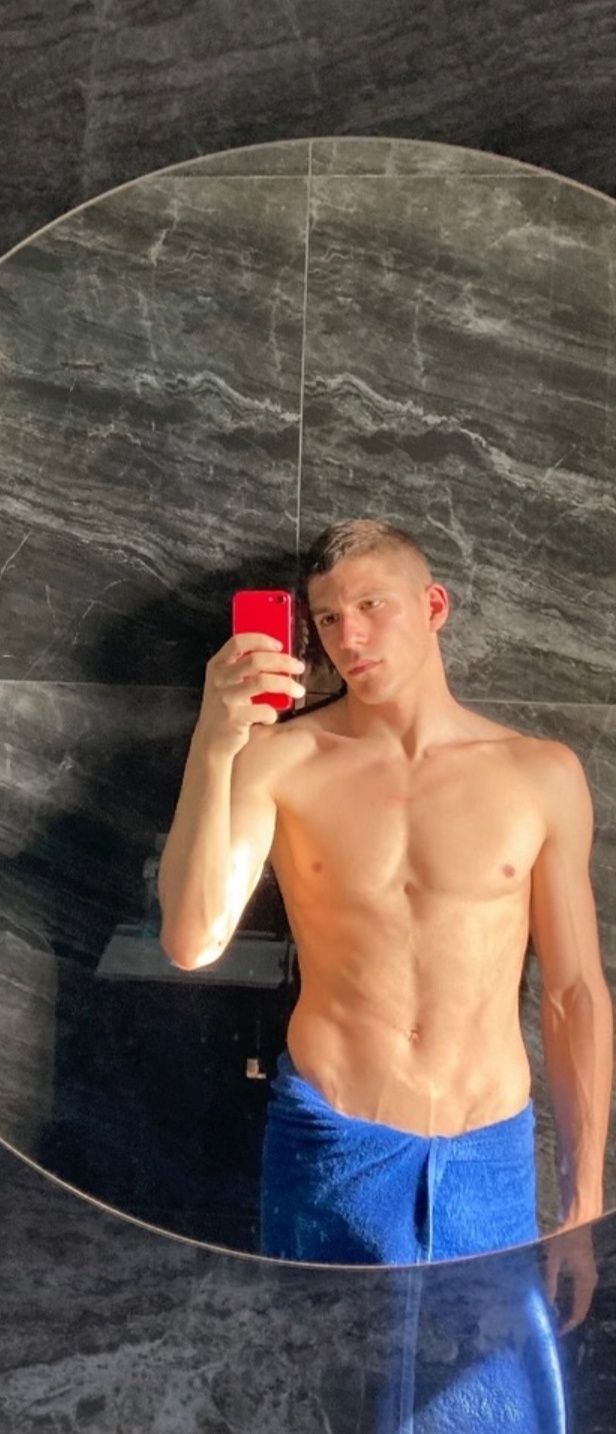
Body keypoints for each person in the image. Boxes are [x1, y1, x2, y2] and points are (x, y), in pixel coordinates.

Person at [158, 520, 611, 1324]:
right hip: (332, 1140)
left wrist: (582, 1205)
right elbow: (192, 941)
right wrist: (214, 740)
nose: (350, 637)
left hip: (488, 1152)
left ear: (433, 605)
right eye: (329, 618)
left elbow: (574, 992)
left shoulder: (539, 774)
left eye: (372, 605)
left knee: (487, 1384)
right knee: (315, 1376)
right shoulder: (282, 760)